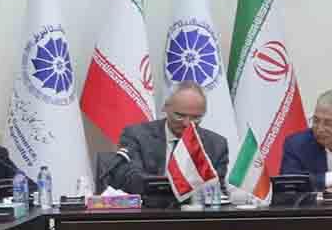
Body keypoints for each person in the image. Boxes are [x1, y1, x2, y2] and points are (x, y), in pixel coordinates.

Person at [99, 83, 233, 197]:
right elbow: (133, 180)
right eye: (179, 115)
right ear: (165, 108)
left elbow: (217, 191)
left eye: (196, 118)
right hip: (149, 212)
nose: (187, 123)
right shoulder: (137, 135)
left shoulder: (216, 145)